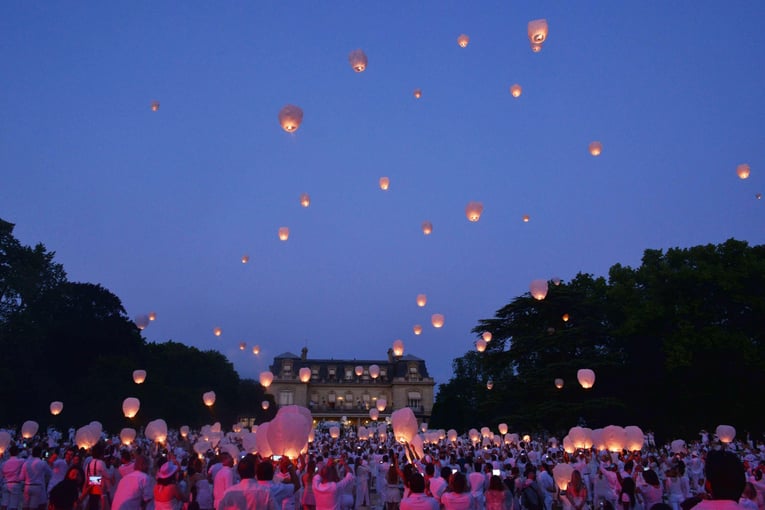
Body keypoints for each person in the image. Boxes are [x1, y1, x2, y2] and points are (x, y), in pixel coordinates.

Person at [22, 445, 52, 510]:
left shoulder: (26, 463)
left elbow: (22, 477)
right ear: (40, 453)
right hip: (38, 486)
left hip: (27, 486)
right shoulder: (42, 463)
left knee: (25, 506)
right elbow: (50, 473)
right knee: (34, 507)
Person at [2, 445, 26, 510]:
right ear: (17, 452)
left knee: (4, 504)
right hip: (15, 484)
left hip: (5, 484)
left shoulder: (4, 463)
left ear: (9, 452)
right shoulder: (21, 461)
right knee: (13, 505)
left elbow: (2, 475)